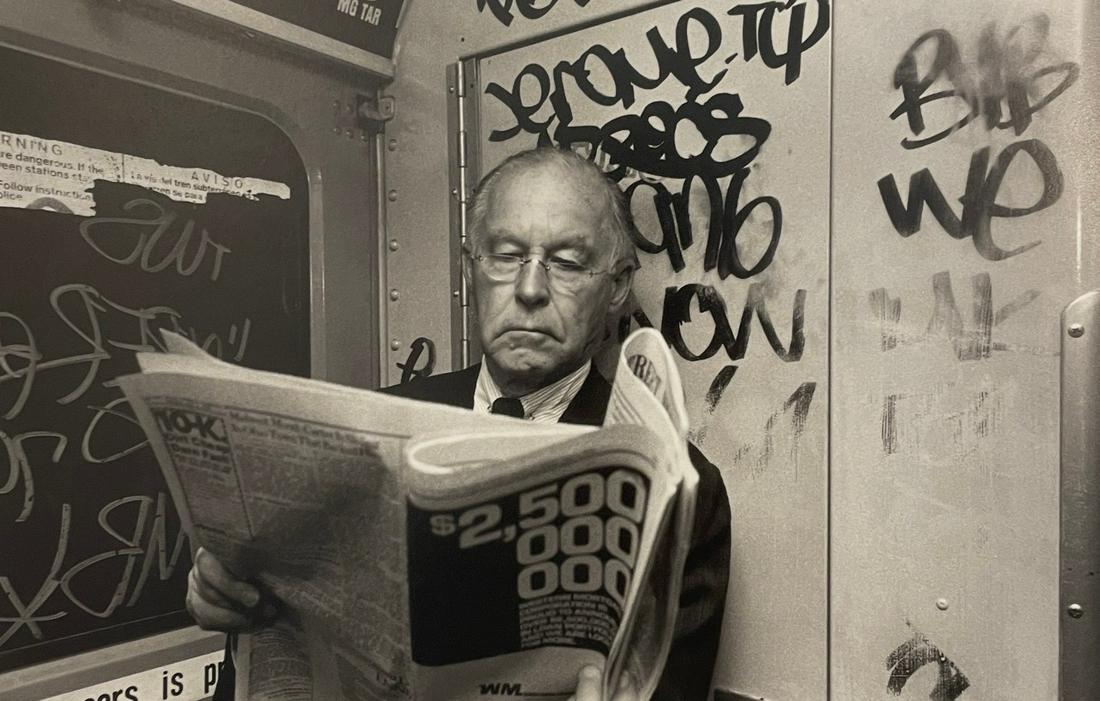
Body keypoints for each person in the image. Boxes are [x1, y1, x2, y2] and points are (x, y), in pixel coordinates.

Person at [187, 147, 731, 700]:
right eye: (505, 255)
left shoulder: (681, 488)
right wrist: (233, 592)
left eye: (566, 262)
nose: (529, 290)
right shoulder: (366, 432)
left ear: (616, 287)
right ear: (471, 268)